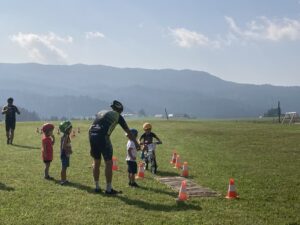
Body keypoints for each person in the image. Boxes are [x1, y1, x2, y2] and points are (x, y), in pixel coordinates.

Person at [89, 100, 140, 194]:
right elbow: (128, 132)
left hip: (92, 135)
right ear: (120, 110)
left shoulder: (101, 112)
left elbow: (92, 126)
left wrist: (91, 145)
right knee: (108, 163)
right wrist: (136, 144)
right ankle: (108, 189)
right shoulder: (118, 116)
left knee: (96, 162)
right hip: (103, 137)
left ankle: (97, 187)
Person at [59, 121, 73, 185]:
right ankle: (62, 180)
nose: (71, 129)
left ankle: (64, 179)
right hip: (64, 154)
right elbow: (63, 146)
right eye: (70, 128)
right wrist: (69, 150)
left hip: (65, 154)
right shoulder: (66, 136)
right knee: (64, 167)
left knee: (65, 167)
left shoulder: (65, 136)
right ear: (66, 129)